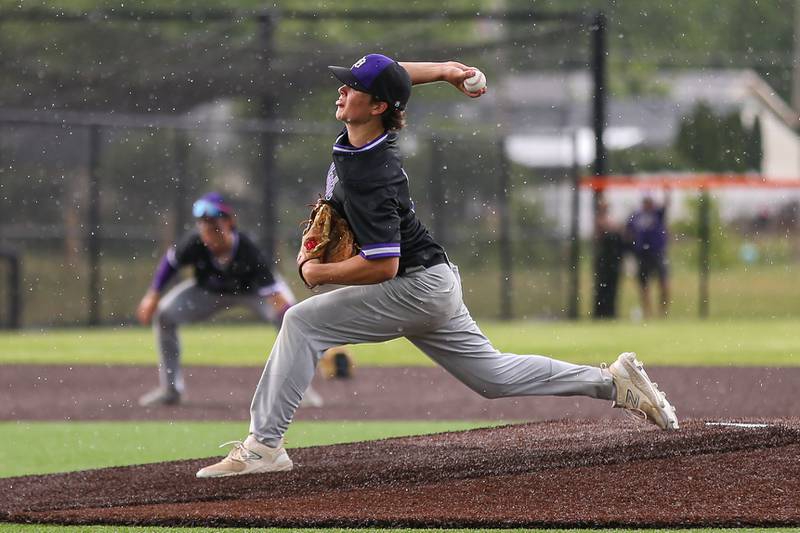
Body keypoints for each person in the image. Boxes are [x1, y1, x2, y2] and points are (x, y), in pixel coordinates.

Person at [196, 54, 679, 478]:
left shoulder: (372, 174)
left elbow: (382, 265)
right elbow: (393, 74)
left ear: (379, 106)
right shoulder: (363, 130)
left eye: (353, 87)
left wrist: (317, 274)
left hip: (411, 287)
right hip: (433, 281)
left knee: (301, 322)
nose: (342, 90)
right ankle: (613, 382)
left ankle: (263, 447)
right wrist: (445, 70)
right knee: (494, 378)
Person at [135, 192, 325, 408]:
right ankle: (171, 391)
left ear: (229, 222)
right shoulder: (194, 242)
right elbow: (170, 264)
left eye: (215, 225)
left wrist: (304, 332)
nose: (209, 231)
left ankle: (300, 390)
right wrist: (152, 295)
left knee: (291, 319)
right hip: (208, 293)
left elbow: (278, 298)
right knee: (164, 314)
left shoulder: (248, 250)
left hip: (253, 294)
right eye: (204, 225)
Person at [626, 189, 671, 318]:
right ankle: (647, 312)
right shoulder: (636, 216)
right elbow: (628, 232)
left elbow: (666, 204)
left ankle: (663, 312)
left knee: (663, 282)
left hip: (658, 252)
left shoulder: (657, 213)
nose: (648, 203)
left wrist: (667, 188)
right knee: (644, 284)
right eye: (646, 201)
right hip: (642, 254)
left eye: (649, 201)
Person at [593, 196, 625, 319]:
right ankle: (601, 313)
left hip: (613, 261)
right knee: (602, 288)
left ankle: (611, 312)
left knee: (612, 288)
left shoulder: (610, 221)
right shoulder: (599, 221)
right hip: (603, 262)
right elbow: (603, 231)